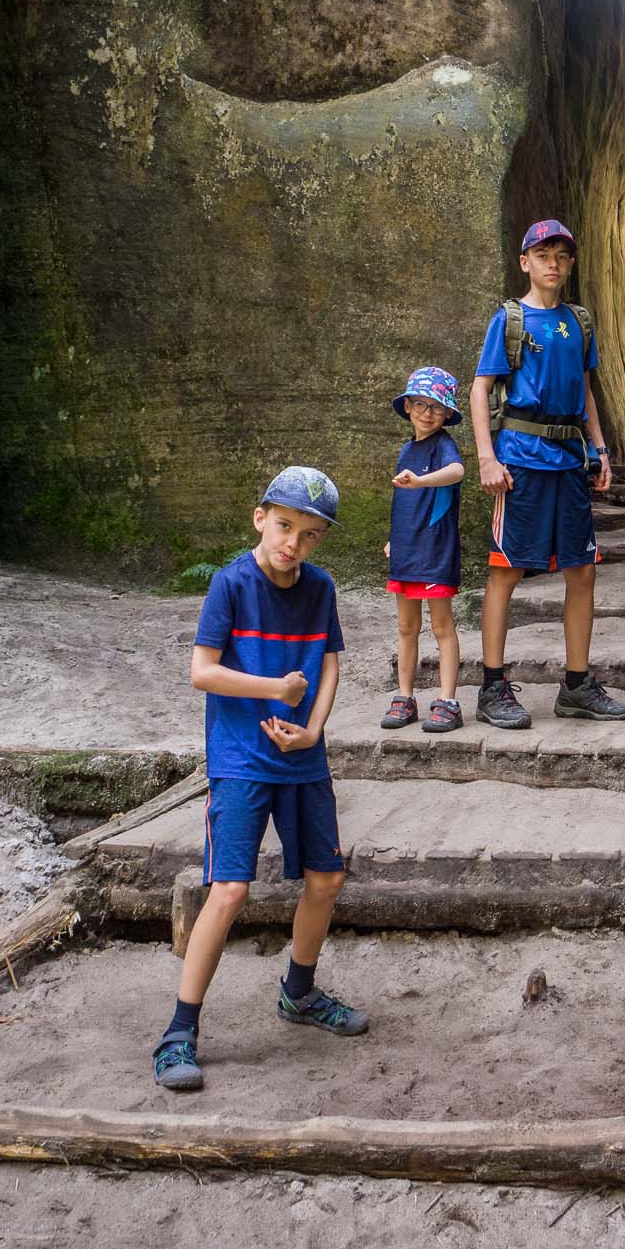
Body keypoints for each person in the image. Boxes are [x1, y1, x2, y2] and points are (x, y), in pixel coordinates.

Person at [151, 465, 368, 1093]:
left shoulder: (320, 589)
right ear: (260, 518)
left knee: (326, 878)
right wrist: (275, 690)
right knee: (229, 891)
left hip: (303, 757)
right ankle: (177, 1035)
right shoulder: (230, 585)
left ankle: (298, 995)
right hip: (241, 760)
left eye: (308, 534)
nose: (292, 544)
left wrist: (313, 729)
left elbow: (328, 666)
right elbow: (202, 672)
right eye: (283, 527)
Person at [468, 218, 625, 730]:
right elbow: (480, 389)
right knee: (507, 568)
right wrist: (487, 458)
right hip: (520, 460)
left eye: (561, 256)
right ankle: (492, 686)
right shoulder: (510, 319)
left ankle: (577, 685)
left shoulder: (578, 322)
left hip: (568, 462)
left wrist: (600, 450)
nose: (553, 265)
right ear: (526, 263)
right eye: (543, 256)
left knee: (582, 570)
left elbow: (585, 392)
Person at [380, 366, 466, 733]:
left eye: (435, 406)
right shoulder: (406, 449)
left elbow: (457, 472)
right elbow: (404, 503)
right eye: (419, 404)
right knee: (405, 627)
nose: (427, 413)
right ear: (408, 407)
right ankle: (404, 697)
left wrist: (422, 482)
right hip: (406, 549)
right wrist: (393, 539)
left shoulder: (444, 445)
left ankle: (447, 700)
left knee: (442, 626)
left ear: (447, 412)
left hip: (434, 550)